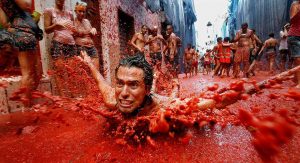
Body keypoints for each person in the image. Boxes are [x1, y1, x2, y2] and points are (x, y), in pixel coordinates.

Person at [78, 51, 180, 116]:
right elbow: (100, 81)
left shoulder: (162, 107)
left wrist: (175, 88)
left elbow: (177, 102)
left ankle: (174, 84)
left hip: (150, 97)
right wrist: (89, 63)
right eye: (120, 83)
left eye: (133, 85)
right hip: (145, 92)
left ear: (146, 90)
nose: (123, 93)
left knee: (160, 92)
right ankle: (153, 79)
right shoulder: (111, 100)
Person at [0, 0, 43, 107]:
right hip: (25, 31)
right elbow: (26, 5)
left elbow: (5, 22)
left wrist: (14, 29)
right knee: (30, 73)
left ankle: (28, 101)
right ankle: (27, 105)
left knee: (36, 73)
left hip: (21, 31)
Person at [44, 0, 76, 96]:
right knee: (60, 71)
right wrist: (56, 25)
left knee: (72, 72)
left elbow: (73, 30)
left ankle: (73, 96)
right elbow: (46, 30)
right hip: (58, 43)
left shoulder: (70, 13)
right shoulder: (49, 11)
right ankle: (63, 97)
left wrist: (74, 30)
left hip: (71, 44)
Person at [74, 2, 99, 70]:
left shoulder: (87, 21)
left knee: (96, 70)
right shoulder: (73, 22)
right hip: (81, 48)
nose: (82, 13)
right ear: (75, 11)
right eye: (80, 11)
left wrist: (93, 30)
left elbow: (92, 35)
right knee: (85, 71)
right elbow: (74, 35)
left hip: (91, 47)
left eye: (83, 12)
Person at [288, 0, 300, 88]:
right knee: (298, 59)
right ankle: (299, 82)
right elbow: (292, 19)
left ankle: (295, 78)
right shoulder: (295, 4)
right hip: (295, 35)